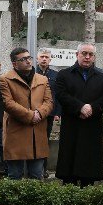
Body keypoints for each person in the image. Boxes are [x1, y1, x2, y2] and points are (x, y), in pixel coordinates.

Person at [55, 43, 103, 187]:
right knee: (69, 166)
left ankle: (87, 194)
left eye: (90, 54)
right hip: (72, 124)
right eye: (84, 53)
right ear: (76, 54)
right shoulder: (64, 74)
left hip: (92, 125)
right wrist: (80, 107)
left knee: (88, 166)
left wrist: (91, 108)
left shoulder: (102, 77)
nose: (87, 57)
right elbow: (61, 95)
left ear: (94, 57)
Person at [0, 47, 54, 180]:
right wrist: (30, 116)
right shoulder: (4, 79)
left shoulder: (42, 79)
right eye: (23, 59)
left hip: (37, 132)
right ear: (14, 63)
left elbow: (49, 102)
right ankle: (13, 202)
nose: (28, 61)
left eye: (29, 58)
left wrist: (39, 114)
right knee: (14, 176)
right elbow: (8, 103)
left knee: (36, 175)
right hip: (15, 133)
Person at [36, 48, 62, 177]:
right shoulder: (31, 73)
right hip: (33, 113)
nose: (44, 59)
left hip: (49, 114)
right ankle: (31, 169)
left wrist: (58, 112)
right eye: (42, 57)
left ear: (50, 59)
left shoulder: (55, 75)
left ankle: (43, 169)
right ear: (37, 58)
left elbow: (57, 95)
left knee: (45, 141)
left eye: (46, 57)